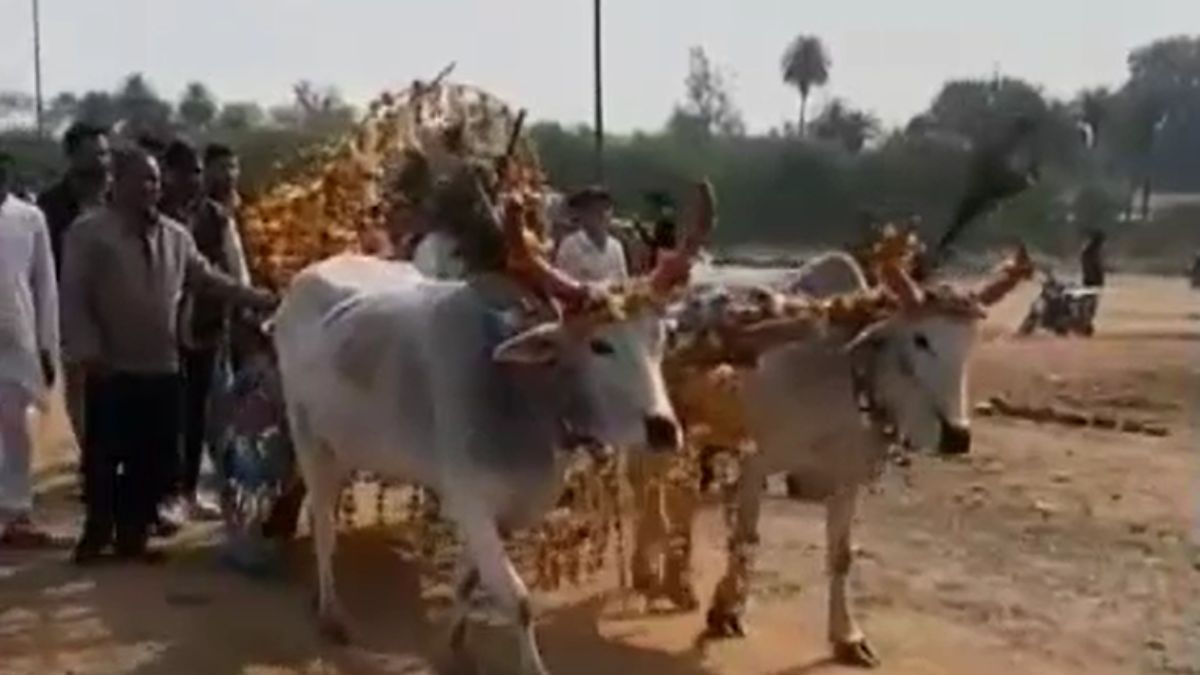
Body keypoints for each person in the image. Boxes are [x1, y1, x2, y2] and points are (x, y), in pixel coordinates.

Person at [62, 147, 276, 565]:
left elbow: (209, 279)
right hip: (111, 365)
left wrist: (260, 298)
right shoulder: (89, 233)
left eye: (155, 181)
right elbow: (74, 296)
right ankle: (97, 533)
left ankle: (133, 536)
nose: (150, 188)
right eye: (141, 180)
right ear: (116, 183)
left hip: (161, 364)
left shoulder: (176, 236)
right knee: (106, 454)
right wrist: (87, 350)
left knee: (155, 455)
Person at [176, 143, 253, 521]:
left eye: (233, 169)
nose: (228, 177)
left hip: (209, 329)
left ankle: (208, 488)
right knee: (180, 415)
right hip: (167, 335)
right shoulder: (166, 217)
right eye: (219, 169)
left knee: (211, 413)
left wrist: (247, 304)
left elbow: (235, 272)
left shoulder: (218, 218)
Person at [0, 153, 62, 547]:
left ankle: (18, 513)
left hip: (16, 341)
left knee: (15, 431)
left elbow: (45, 286)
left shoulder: (28, 218)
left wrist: (45, 346)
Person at [36, 123, 111, 276]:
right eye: (94, 155)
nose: (103, 163)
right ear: (72, 156)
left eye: (105, 154)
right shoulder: (50, 205)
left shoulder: (121, 202)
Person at [554, 186, 629, 283]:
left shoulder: (616, 247)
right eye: (595, 209)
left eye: (606, 208)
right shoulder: (570, 245)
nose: (602, 214)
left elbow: (623, 282)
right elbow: (561, 282)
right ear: (584, 214)